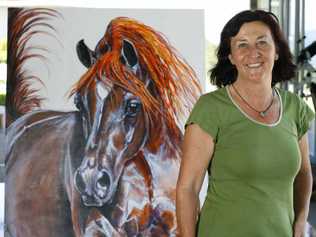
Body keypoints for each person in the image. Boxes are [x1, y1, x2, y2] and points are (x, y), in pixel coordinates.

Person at [176, 9, 315, 237]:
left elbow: (303, 173)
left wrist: (300, 221)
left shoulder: (295, 108)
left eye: (262, 42)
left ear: (276, 51)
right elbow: (188, 189)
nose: (253, 53)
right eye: (242, 45)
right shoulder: (211, 108)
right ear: (230, 56)